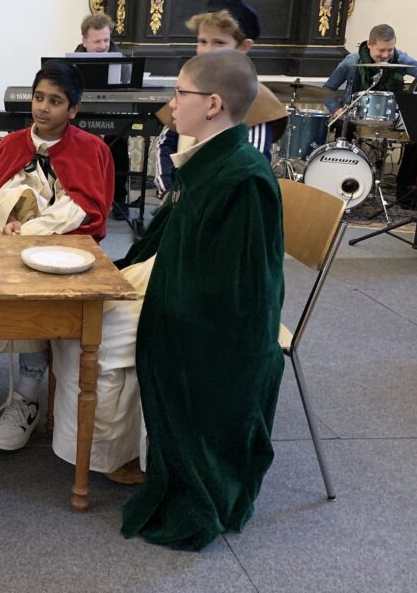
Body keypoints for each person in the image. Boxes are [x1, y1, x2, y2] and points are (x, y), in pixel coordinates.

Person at [120, 50, 284, 551]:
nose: (171, 104)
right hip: (185, 291)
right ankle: (117, 451)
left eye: (179, 93)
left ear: (212, 104)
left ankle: (138, 460)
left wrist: (167, 306)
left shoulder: (243, 177)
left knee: (105, 331)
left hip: (217, 327)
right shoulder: (211, 160)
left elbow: (243, 288)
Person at [0, 59, 114, 452]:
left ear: (73, 109)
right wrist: (9, 217)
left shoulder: (92, 149)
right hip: (3, 238)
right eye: (39, 97)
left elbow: (90, 211)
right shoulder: (12, 145)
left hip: (61, 246)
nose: (43, 107)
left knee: (33, 296)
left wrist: (34, 232)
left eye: (55, 101)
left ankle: (27, 398)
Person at [155, 0, 287, 197]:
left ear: (243, 47)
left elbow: (250, 165)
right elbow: (167, 144)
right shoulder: (192, 87)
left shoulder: (257, 100)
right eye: (202, 41)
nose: (207, 51)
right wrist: (168, 191)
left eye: (219, 42)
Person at [324, 23, 417, 205]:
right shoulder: (351, 61)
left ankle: (405, 190)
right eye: (381, 50)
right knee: (343, 127)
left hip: (392, 117)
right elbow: (328, 90)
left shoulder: (400, 58)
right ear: (369, 44)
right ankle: (344, 184)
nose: (386, 55)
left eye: (390, 49)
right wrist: (336, 110)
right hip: (355, 117)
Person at [73, 12, 132, 209]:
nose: (103, 46)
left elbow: (128, 92)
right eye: (97, 41)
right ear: (84, 41)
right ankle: (78, 196)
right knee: (75, 143)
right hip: (81, 114)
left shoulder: (121, 60)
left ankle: (119, 199)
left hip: (113, 114)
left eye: (106, 40)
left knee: (119, 143)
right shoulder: (72, 61)